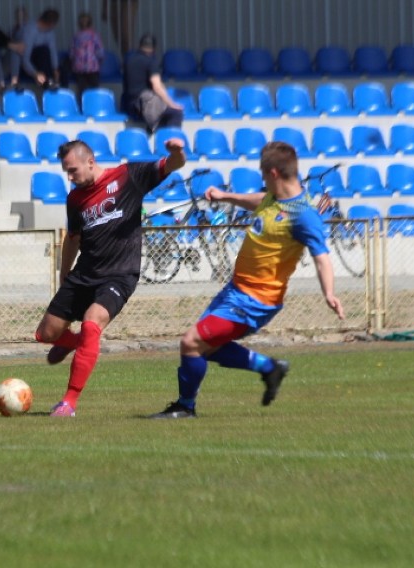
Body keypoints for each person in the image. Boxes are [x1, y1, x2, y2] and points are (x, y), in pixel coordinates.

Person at [150, 141, 346, 419]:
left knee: (191, 342)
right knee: (206, 347)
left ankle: (186, 406)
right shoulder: (274, 199)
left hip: (256, 300)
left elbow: (322, 256)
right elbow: (257, 200)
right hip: (235, 290)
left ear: (274, 173)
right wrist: (224, 196)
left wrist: (329, 293)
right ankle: (270, 368)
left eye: (263, 174)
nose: (263, 180)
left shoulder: (303, 215)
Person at [35, 137, 188, 417]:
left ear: (90, 162)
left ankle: (69, 402)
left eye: (72, 170)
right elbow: (73, 238)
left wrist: (177, 153)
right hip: (84, 274)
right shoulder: (75, 198)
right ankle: (79, 345)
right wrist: (64, 272)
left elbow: (173, 165)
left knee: (92, 324)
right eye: (66, 172)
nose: (69, 177)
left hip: (119, 275)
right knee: (45, 334)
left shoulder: (129, 176)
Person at [123, 33, 183, 133]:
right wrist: (172, 104)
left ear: (140, 45)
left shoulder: (129, 60)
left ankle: (152, 132)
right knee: (175, 113)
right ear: (154, 48)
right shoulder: (150, 62)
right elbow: (157, 87)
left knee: (162, 114)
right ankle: (170, 144)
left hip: (128, 105)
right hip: (142, 105)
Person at [14, 8, 61, 88]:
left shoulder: (50, 31)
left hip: (42, 64)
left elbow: (53, 51)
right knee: (43, 51)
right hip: (27, 66)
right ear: (50, 23)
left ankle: (62, 96)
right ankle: (47, 84)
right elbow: (25, 58)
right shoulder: (30, 30)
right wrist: (35, 73)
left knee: (62, 72)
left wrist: (56, 69)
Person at [69, 12, 104, 97]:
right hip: (92, 67)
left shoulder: (76, 36)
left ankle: (82, 107)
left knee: (82, 90)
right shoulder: (94, 35)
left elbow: (71, 53)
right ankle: (94, 106)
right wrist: (100, 61)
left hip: (79, 67)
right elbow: (100, 51)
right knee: (94, 89)